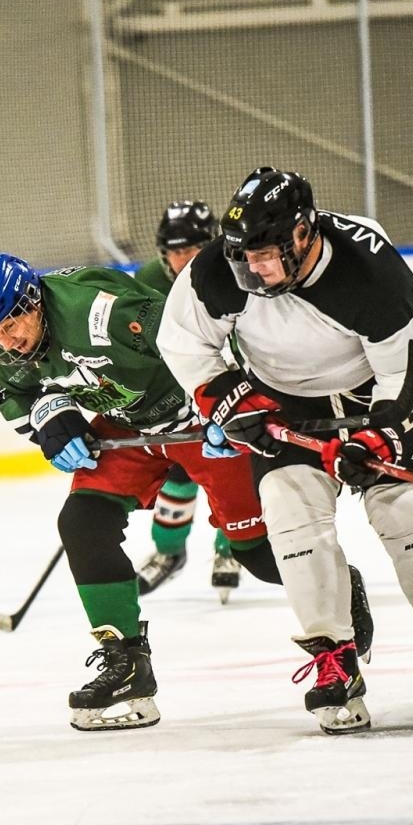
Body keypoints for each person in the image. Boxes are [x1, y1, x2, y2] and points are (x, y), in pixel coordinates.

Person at [158, 166, 413, 734]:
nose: (254, 270)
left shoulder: (367, 266)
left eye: (266, 255)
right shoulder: (219, 269)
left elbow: (412, 372)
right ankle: (333, 659)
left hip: (380, 397)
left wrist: (374, 438)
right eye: (245, 257)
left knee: (406, 511)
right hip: (285, 404)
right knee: (292, 517)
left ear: (303, 232)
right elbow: (183, 343)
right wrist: (231, 402)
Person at [0, 252, 313, 732]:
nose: (8, 339)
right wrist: (49, 419)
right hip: (130, 428)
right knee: (82, 522)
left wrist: (231, 401)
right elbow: (13, 394)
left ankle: (339, 593)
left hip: (197, 421)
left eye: (13, 321)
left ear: (34, 299)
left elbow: (207, 339)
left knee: (255, 553)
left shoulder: (102, 315)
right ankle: (126, 665)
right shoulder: (1, 346)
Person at [131, 201, 242, 602]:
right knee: (179, 468)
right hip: (174, 393)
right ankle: (168, 552)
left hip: (228, 387)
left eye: (191, 249)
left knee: (230, 467)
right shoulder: (145, 281)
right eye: (175, 251)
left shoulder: (237, 271)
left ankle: (232, 549)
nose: (182, 260)